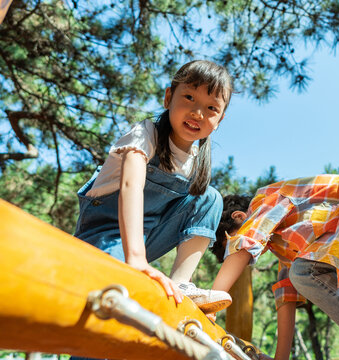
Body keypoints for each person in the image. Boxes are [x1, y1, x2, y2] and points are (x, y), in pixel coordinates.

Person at [74, 60, 233, 314]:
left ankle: (182, 283)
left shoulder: (196, 162)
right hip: (104, 232)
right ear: (168, 97)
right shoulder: (146, 134)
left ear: (220, 119)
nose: (198, 113)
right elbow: (131, 185)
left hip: (148, 237)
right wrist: (135, 257)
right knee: (114, 292)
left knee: (210, 197)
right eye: (189, 97)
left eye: (211, 107)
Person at [210, 175, 339, 360]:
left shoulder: (263, 203)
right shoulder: (283, 246)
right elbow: (288, 297)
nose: (244, 260)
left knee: (305, 272)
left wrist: (211, 304)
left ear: (239, 217)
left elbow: (248, 241)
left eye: (230, 247)